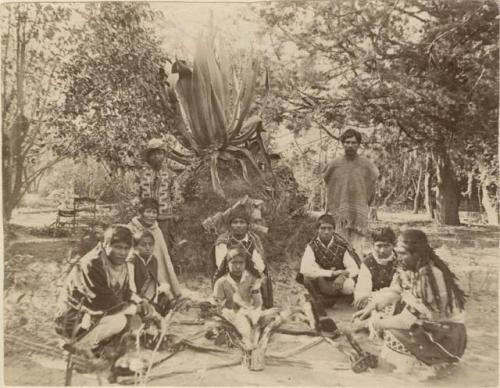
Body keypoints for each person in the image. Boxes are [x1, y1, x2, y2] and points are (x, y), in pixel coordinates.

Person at [353, 229, 467, 374]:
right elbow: (395, 291)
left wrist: (373, 323)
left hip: (448, 337)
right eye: (398, 252)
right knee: (385, 308)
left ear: (417, 254)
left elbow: (405, 321)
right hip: (434, 325)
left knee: (394, 331)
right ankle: (415, 359)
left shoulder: (428, 277)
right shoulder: (413, 268)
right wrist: (371, 307)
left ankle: (431, 364)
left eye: (403, 254)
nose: (398, 257)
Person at [54, 225, 158, 358]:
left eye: (126, 248)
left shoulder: (119, 262)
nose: (123, 253)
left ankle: (97, 345)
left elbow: (124, 291)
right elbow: (104, 301)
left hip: (92, 313)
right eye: (118, 247)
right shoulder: (93, 263)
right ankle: (77, 346)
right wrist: (137, 309)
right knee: (120, 320)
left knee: (129, 320)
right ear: (105, 244)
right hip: (72, 318)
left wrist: (140, 301)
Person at [297, 214, 361, 331]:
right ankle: (320, 298)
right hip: (323, 280)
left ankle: (335, 299)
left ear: (334, 230)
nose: (326, 232)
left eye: (329, 228)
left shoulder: (341, 245)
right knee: (307, 277)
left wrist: (342, 276)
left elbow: (354, 268)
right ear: (317, 230)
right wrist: (330, 274)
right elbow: (304, 270)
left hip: (338, 283)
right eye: (323, 228)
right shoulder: (312, 246)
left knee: (349, 287)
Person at [323, 128, 379, 254]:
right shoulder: (335, 164)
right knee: (339, 245)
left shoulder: (366, 164)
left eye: (353, 143)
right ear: (342, 144)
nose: (350, 145)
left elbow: (373, 179)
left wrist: (368, 199)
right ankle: (341, 271)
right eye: (347, 142)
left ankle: (357, 272)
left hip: (359, 212)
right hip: (340, 211)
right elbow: (328, 181)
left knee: (357, 247)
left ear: (358, 145)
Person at [213, 206, 273, 308]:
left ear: (247, 225)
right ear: (230, 225)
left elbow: (260, 264)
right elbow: (221, 264)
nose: (238, 225)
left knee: (262, 280)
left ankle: (261, 307)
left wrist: (257, 277)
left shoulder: (253, 239)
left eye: (242, 222)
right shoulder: (223, 241)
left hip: (251, 275)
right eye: (235, 222)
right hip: (228, 275)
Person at [128, 198, 182, 300]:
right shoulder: (131, 228)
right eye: (148, 211)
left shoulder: (156, 230)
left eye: (154, 212)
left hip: (154, 274)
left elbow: (163, 258)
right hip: (135, 270)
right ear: (140, 212)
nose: (151, 215)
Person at [134, 138, 177, 250]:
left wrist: (171, 210)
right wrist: (139, 208)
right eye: (153, 154)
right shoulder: (141, 175)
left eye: (159, 153)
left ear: (163, 155)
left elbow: (176, 196)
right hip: (145, 218)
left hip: (164, 218)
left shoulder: (171, 175)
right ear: (148, 156)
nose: (156, 156)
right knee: (145, 245)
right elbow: (135, 194)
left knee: (163, 246)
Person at [126, 230, 172, 316]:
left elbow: (153, 281)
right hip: (134, 297)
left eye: (151, 244)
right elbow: (130, 286)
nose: (148, 248)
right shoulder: (131, 260)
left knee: (166, 294)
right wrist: (140, 300)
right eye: (143, 245)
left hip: (148, 296)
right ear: (135, 247)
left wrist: (153, 297)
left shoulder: (153, 259)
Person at [354, 227, 397, 310]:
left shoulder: (400, 261)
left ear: (393, 245)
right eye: (379, 246)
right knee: (361, 300)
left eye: (386, 246)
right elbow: (363, 290)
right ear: (372, 245)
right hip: (372, 299)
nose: (382, 250)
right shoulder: (368, 262)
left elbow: (398, 289)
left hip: (394, 297)